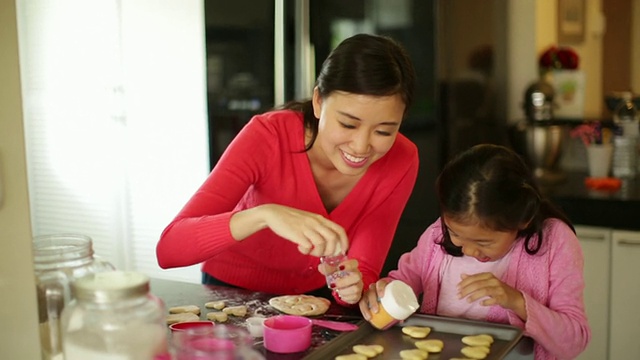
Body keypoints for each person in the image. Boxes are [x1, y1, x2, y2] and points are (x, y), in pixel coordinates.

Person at [156, 33, 419, 306]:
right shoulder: (268, 136)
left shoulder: (402, 159)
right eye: (348, 125)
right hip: (231, 292)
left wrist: (351, 286)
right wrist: (265, 215)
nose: (362, 146)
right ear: (318, 101)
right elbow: (169, 249)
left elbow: (361, 271)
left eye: (384, 131)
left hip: (314, 297)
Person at [360, 144, 590, 359]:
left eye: (484, 242)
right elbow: (401, 283)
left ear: (523, 219)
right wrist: (384, 295)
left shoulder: (553, 242)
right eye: (456, 234)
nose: (469, 250)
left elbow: (573, 342)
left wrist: (516, 301)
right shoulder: (436, 237)